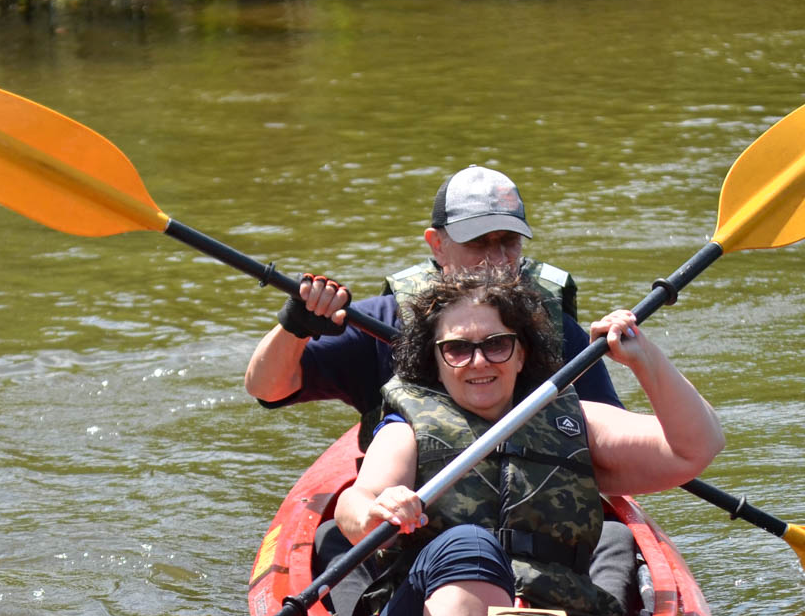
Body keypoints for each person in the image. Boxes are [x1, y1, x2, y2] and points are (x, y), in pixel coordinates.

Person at [334, 266, 724, 616]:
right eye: (457, 349)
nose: (479, 361)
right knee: (468, 544)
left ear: (521, 354)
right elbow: (355, 501)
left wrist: (645, 360)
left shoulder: (572, 421)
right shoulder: (407, 429)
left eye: (497, 344)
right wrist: (375, 512)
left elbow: (696, 448)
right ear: (435, 362)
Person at [243, 166, 621, 435]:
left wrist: (641, 357)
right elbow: (267, 388)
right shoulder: (383, 322)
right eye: (478, 243)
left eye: (508, 242)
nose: (497, 260)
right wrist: (294, 328)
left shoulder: (552, 325)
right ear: (436, 244)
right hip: (413, 503)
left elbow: (614, 432)